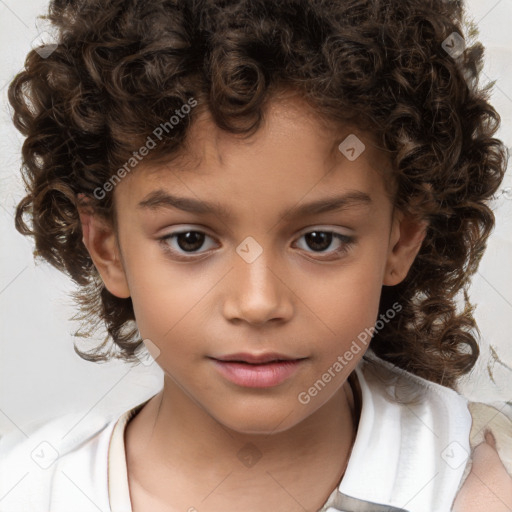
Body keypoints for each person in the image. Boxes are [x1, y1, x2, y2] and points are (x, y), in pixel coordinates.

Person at [1, 0, 511, 510]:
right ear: (107, 248)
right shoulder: (28, 491)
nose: (258, 302)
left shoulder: (485, 477)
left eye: (319, 240)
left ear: (401, 241)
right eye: (190, 240)